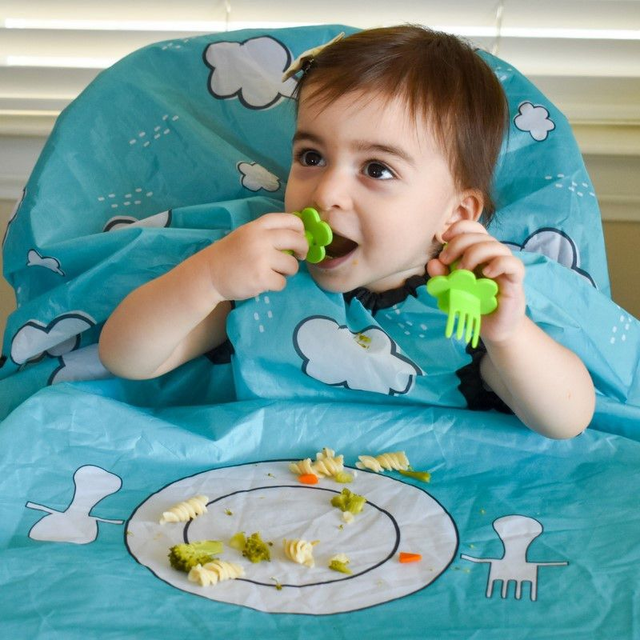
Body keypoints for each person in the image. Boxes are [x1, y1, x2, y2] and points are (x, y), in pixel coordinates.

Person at [98, 25, 595, 439]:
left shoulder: (470, 302)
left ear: (456, 214)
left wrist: (509, 335)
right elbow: (128, 359)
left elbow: (566, 422)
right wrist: (207, 278)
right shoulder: (260, 271)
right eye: (311, 157)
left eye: (377, 169)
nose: (327, 192)